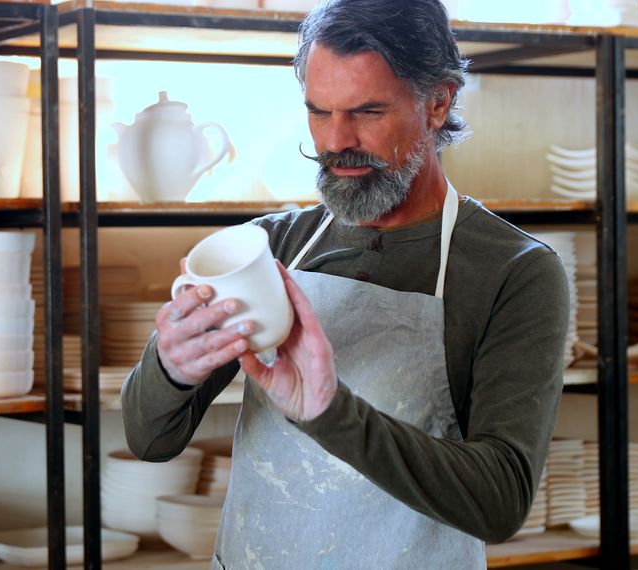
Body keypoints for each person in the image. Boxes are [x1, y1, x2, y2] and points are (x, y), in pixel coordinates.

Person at [120, 0, 570, 567]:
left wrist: (330, 412)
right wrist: (172, 368)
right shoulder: (273, 248)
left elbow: (499, 502)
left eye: (367, 111)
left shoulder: (514, 272)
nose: (335, 141)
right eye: (318, 110)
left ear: (437, 102)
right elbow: (151, 441)